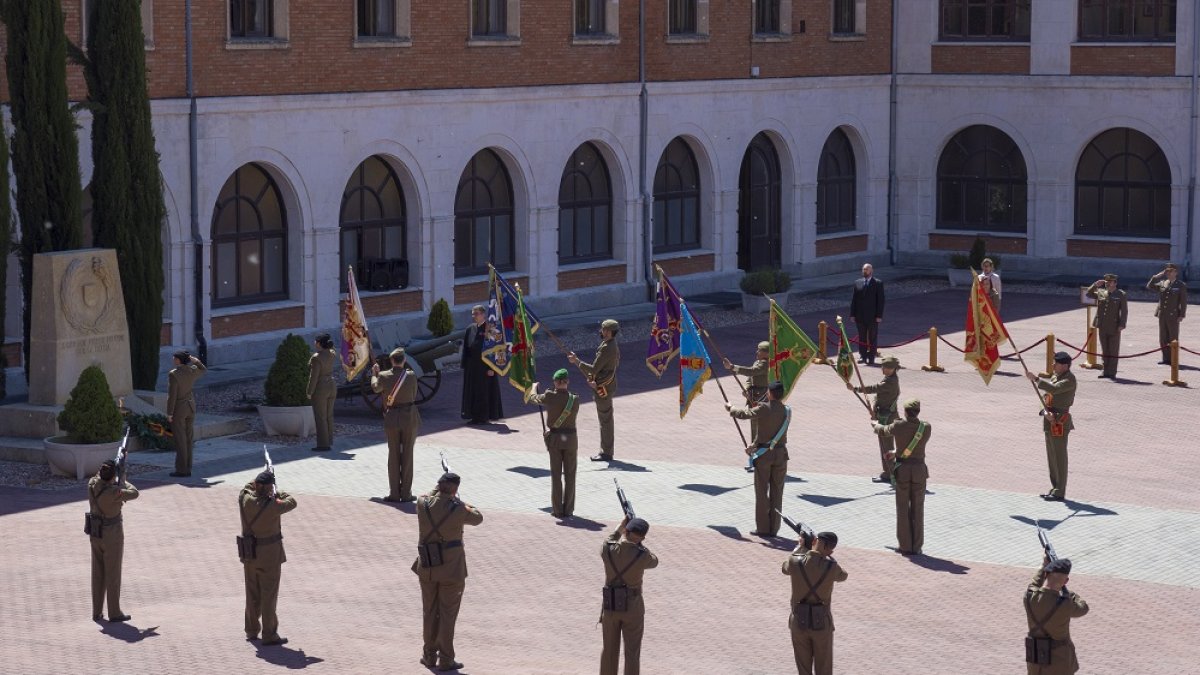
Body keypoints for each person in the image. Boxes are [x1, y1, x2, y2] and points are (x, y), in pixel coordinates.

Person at [413, 472, 483, 672]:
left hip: (427, 566)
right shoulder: (459, 509)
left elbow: (431, 494)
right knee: (447, 614)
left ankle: (428, 655)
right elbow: (478, 518)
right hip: (451, 570)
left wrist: (443, 491)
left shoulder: (422, 503)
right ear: (455, 489)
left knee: (429, 612)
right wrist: (460, 500)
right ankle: (446, 658)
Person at [239, 470, 297, 646]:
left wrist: (263, 481)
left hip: (249, 553)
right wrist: (276, 491)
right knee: (268, 595)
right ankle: (269, 633)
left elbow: (247, 487)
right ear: (269, 487)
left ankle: (251, 630)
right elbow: (292, 501)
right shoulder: (274, 505)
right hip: (270, 555)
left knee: (252, 593)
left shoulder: (245, 499)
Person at [727, 380, 790, 537]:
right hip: (781, 454)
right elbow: (773, 434)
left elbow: (744, 414)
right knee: (777, 491)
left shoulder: (764, 408)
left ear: (770, 393)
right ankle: (774, 528)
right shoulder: (786, 410)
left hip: (765, 456)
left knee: (762, 492)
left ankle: (763, 528)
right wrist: (753, 445)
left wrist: (731, 408)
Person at [599, 516, 659, 675]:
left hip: (611, 605)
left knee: (609, 651)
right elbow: (655, 561)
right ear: (643, 537)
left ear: (626, 530)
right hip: (633, 607)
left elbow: (609, 540)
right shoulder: (642, 556)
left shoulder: (608, 549)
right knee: (632, 653)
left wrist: (619, 528)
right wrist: (640, 544)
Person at [783, 531, 848, 675]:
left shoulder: (795, 561)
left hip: (799, 621)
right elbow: (843, 575)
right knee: (824, 668)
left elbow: (784, 568)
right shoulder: (831, 567)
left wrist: (800, 547)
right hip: (822, 624)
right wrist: (826, 555)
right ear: (830, 549)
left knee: (803, 668)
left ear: (814, 541)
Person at [872, 399, 931, 555]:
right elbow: (914, 445)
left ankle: (905, 545)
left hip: (903, 470)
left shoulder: (899, 425)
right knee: (918, 509)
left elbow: (882, 430)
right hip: (919, 470)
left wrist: (874, 422)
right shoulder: (926, 427)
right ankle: (917, 546)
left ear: (905, 411)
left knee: (903, 508)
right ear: (918, 411)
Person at [88, 459, 138, 622]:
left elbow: (98, 476)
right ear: (113, 477)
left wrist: (114, 473)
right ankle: (114, 612)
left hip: (96, 532)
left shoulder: (93, 484)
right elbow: (134, 492)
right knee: (113, 573)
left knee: (97, 572)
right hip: (112, 534)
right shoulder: (114, 492)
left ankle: (97, 611)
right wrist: (122, 478)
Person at [528, 368, 579, 519]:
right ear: (567, 381)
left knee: (556, 475)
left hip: (555, 439)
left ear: (555, 382)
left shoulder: (550, 396)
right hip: (571, 440)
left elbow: (532, 399)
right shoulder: (575, 399)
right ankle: (569, 509)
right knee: (570, 475)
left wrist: (533, 388)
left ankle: (557, 510)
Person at [1026, 352, 1077, 501]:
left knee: (1059, 456)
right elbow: (1046, 397)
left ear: (1065, 365)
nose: (1053, 365)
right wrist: (1044, 411)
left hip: (1060, 420)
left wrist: (1036, 379)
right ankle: (1054, 487)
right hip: (1050, 419)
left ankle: (1060, 491)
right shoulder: (1056, 377)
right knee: (1052, 456)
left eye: (1056, 363)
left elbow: (1054, 389)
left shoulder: (1069, 379)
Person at [1024, 557, 1088, 675]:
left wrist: (1044, 565)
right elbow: (1083, 608)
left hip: (1035, 661)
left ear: (1046, 574)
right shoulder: (1065, 604)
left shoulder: (1029, 597)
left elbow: (1034, 583)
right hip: (1059, 664)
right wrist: (1069, 593)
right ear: (1066, 581)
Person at [371, 347, 420, 503]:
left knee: (393, 456)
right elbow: (414, 394)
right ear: (404, 360)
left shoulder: (384, 376)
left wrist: (374, 375)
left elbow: (375, 388)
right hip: (409, 417)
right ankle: (406, 493)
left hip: (392, 417)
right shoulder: (411, 376)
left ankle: (394, 493)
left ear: (392, 361)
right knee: (408, 455)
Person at [569, 319, 621, 462]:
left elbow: (593, 368)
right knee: (606, 419)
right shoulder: (611, 344)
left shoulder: (607, 348)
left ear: (609, 332)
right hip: (606, 385)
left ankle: (606, 453)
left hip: (603, 388)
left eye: (604, 329)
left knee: (605, 420)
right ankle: (606, 451)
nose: (601, 331)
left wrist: (577, 361)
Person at [849, 355, 901, 483]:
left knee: (886, 446)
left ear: (893, 369)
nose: (884, 369)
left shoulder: (890, 382)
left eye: (887, 368)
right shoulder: (890, 379)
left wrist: (856, 389)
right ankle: (889, 471)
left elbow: (874, 388)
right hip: (884, 415)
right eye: (884, 367)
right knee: (885, 445)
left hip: (887, 419)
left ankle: (889, 473)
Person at [460, 304, 504, 424]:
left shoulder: (490, 329)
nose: (474, 316)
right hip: (472, 366)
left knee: (483, 392)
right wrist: (465, 365)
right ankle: (474, 415)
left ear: (484, 314)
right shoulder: (470, 328)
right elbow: (466, 347)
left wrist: (493, 368)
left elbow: (496, 349)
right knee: (473, 392)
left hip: (485, 367)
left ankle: (483, 417)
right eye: (473, 314)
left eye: (477, 313)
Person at [167, 350, 207, 477]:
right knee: (189, 439)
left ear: (179, 360)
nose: (173, 359)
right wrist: (196, 360)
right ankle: (188, 467)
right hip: (191, 407)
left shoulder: (174, 374)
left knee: (180, 440)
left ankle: (182, 470)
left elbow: (172, 396)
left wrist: (169, 413)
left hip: (179, 409)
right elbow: (203, 369)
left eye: (175, 358)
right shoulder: (191, 371)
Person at [722, 340, 770, 440]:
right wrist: (747, 389)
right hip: (753, 396)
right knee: (754, 423)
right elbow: (750, 378)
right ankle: (754, 446)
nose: (757, 352)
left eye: (760, 351)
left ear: (767, 353)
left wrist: (732, 367)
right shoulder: (758, 362)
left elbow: (752, 371)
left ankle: (758, 447)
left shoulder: (766, 364)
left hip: (761, 397)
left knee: (759, 424)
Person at [1086, 274, 1127, 379]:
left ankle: (1112, 372)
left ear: (1115, 283)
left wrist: (1122, 324)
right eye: (1106, 282)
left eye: (1110, 282)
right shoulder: (1101, 292)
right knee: (1105, 349)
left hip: (1114, 326)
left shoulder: (1120, 294)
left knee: (1113, 350)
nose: (1108, 284)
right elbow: (1088, 293)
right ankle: (1105, 371)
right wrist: (1095, 284)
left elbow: (1124, 311)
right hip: (1102, 325)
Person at [1146, 263, 1187, 365]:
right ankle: (1166, 358)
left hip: (1173, 315)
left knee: (1173, 337)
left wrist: (1182, 315)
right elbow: (1149, 286)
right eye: (1167, 271)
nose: (1168, 273)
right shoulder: (1163, 283)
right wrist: (1156, 277)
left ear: (1176, 273)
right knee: (1163, 337)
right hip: (1162, 314)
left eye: (1170, 271)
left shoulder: (1180, 285)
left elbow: (1183, 301)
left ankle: (1173, 359)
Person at [307, 333, 338, 451]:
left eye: (316, 341)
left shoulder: (316, 357)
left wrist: (309, 391)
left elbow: (313, 377)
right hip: (331, 385)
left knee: (320, 417)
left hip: (321, 388)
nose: (314, 343)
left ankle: (323, 444)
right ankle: (329, 440)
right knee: (329, 415)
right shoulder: (332, 353)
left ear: (319, 343)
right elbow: (332, 349)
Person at [849, 263, 885, 365]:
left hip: (873, 317)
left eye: (867, 270)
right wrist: (852, 314)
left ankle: (872, 357)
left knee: (872, 337)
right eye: (864, 270)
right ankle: (863, 356)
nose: (865, 271)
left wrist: (879, 316)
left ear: (871, 271)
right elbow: (854, 300)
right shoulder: (858, 283)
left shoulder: (878, 283)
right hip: (860, 316)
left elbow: (881, 301)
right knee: (862, 337)